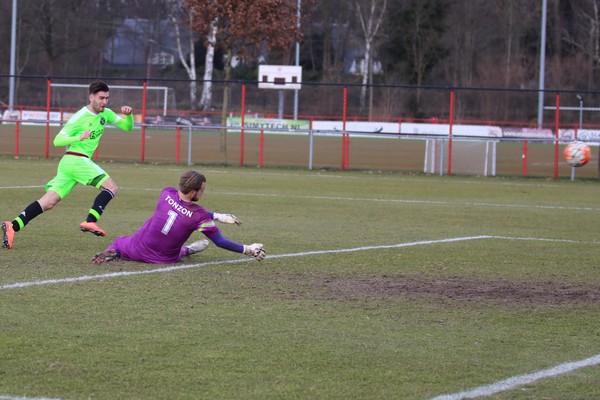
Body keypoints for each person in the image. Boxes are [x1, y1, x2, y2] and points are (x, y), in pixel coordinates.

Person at [2, 80, 134, 250]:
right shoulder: (79, 117)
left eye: (107, 98)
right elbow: (57, 140)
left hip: (70, 163)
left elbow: (127, 127)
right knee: (111, 187)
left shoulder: (106, 114)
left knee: (48, 202)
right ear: (91, 97)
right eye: (101, 98)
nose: (104, 102)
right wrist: (77, 138)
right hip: (77, 159)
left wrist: (128, 115)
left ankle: (13, 226)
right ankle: (91, 221)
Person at [91, 170, 266, 264]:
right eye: (201, 190)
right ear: (192, 191)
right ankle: (189, 250)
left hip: (136, 248)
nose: (203, 193)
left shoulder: (166, 192)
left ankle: (115, 251)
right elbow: (220, 241)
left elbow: (182, 209)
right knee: (178, 252)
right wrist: (248, 249)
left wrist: (218, 216)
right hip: (163, 259)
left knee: (121, 241)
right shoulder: (199, 216)